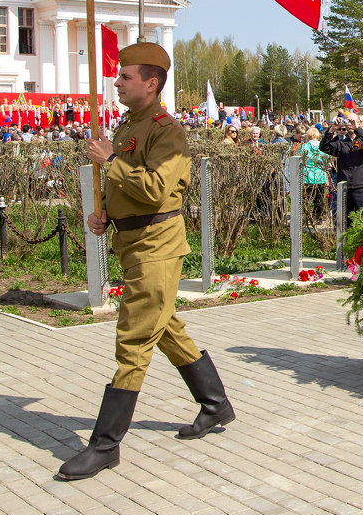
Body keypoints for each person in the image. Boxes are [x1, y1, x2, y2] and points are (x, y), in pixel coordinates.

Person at [60, 43, 233, 481]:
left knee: (134, 339)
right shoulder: (127, 125)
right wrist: (103, 211)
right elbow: (126, 188)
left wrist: (111, 161)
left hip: (158, 244)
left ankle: (104, 445)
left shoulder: (167, 131)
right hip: (133, 240)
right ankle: (215, 404)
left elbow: (157, 189)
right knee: (165, 325)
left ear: (151, 83)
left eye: (125, 76)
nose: (117, 82)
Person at [321, 114, 363, 220]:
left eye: (353, 121)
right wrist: (332, 129)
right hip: (344, 188)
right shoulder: (341, 143)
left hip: (362, 187)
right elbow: (324, 147)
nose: (350, 124)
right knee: (345, 222)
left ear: (359, 123)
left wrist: (357, 129)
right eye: (348, 121)